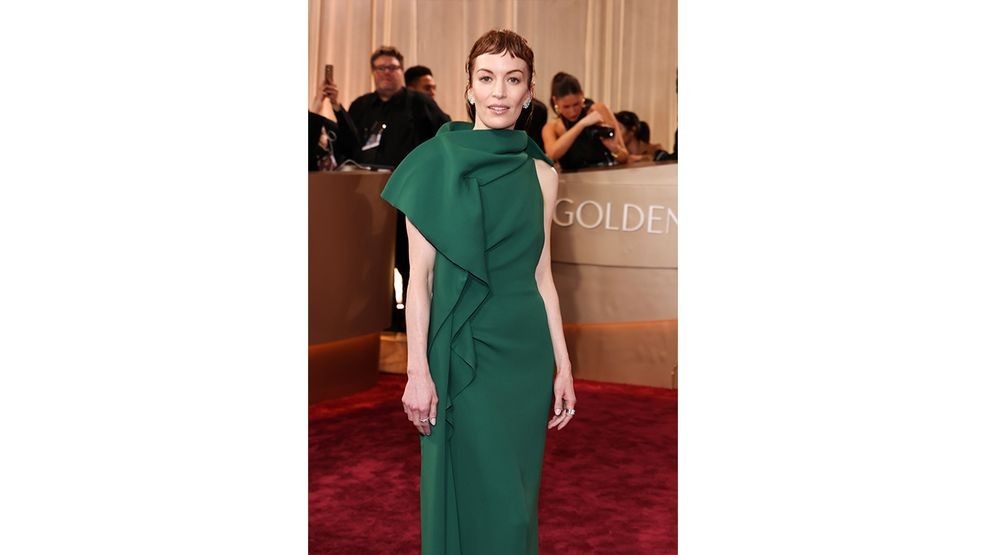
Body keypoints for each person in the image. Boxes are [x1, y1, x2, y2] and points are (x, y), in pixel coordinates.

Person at [380, 29, 576, 554]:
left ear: (529, 91)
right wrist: (416, 371)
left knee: (516, 503)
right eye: (487, 78)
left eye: (513, 80)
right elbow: (419, 281)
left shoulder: (542, 173)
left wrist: (563, 365)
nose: (499, 92)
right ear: (469, 87)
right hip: (460, 350)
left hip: (524, 355)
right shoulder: (432, 164)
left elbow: (542, 275)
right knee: (471, 490)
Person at [330, 47, 450, 331]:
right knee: (371, 262)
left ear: (401, 71)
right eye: (381, 68)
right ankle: (378, 320)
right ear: (373, 73)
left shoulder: (419, 103)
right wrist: (335, 108)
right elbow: (347, 146)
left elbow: (445, 137)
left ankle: (411, 324)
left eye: (393, 67)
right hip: (368, 198)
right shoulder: (361, 106)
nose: (387, 73)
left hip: (409, 197)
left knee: (409, 263)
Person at [542, 72, 628, 170]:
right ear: (555, 101)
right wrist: (582, 124)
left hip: (607, 173)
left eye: (576, 104)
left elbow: (625, 156)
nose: (572, 112)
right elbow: (552, 154)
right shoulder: (552, 127)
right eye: (566, 107)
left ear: (582, 95)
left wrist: (615, 150)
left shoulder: (598, 110)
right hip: (572, 179)